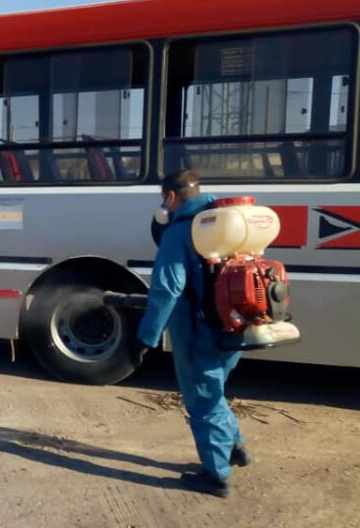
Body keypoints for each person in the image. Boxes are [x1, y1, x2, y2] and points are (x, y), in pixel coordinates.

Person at [135, 169, 251, 498]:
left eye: (164, 199)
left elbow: (167, 290)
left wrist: (146, 337)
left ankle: (217, 476)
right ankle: (235, 448)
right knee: (214, 392)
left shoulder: (180, 232)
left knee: (203, 400)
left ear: (171, 196)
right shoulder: (224, 220)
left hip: (199, 331)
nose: (164, 205)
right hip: (233, 325)